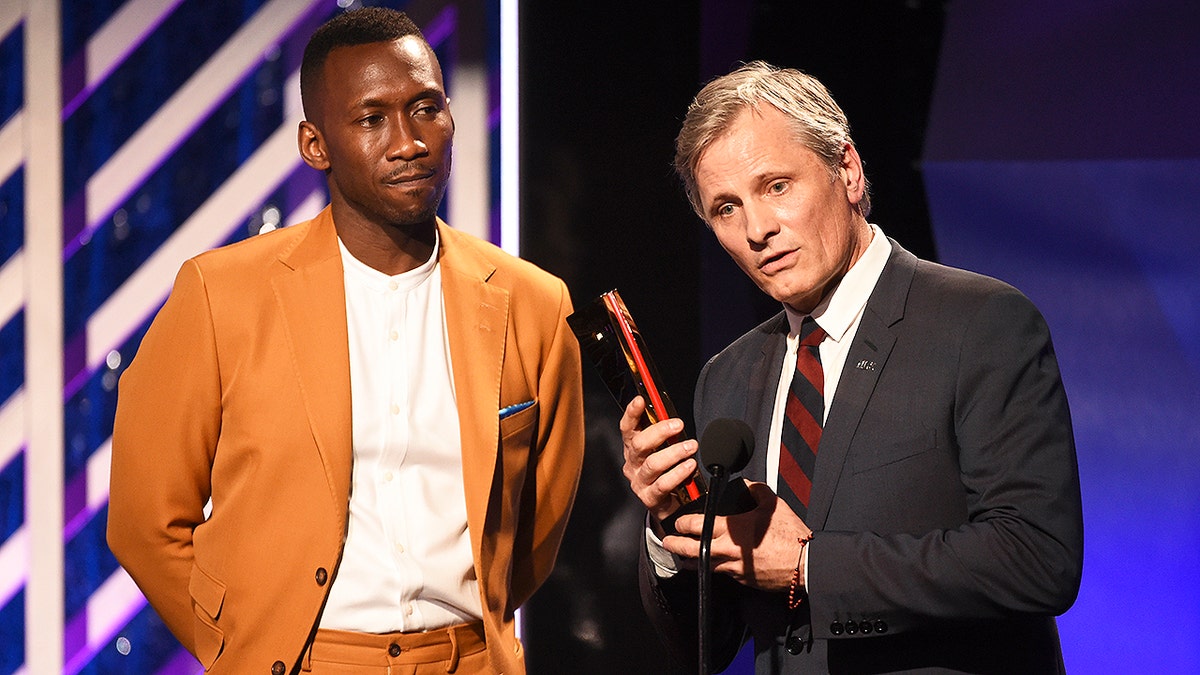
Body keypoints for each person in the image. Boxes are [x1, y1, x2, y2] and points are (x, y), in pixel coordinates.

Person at [107, 8, 584, 674]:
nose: (408, 141)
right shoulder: (222, 294)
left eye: (426, 109)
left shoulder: (533, 303)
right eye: (371, 119)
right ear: (315, 144)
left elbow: (538, 523)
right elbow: (145, 519)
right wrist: (238, 644)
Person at [621, 61, 1082, 674]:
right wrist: (668, 533)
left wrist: (811, 567)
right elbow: (709, 642)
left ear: (848, 170)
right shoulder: (727, 377)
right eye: (726, 208)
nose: (758, 229)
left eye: (776, 186)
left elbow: (1037, 559)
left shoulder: (982, 322)